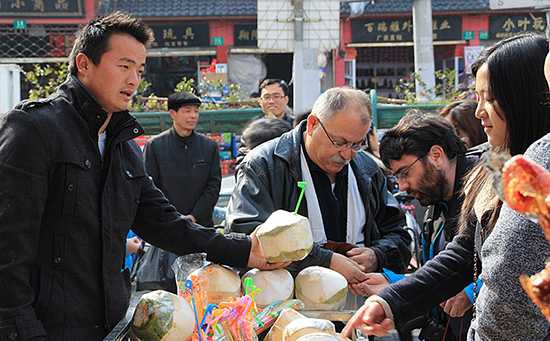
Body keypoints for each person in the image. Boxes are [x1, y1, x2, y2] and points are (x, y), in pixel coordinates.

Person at [0, 12, 282, 341]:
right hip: (46, 329)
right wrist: (22, 331)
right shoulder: (35, 129)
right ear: (84, 64)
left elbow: (164, 223)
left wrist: (244, 249)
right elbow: (8, 246)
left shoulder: (124, 148)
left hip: (109, 325)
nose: (134, 79)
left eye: (140, 69)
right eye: (124, 66)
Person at [342, 32, 550, 340]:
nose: (480, 112)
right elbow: (464, 254)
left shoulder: (540, 168)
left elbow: (511, 290)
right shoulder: (493, 169)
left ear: (523, 98)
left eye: (490, 99)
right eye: (477, 98)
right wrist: (391, 301)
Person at [226, 87, 411, 283]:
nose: (347, 155)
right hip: (285, 303)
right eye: (339, 142)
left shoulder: (368, 169)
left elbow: (398, 234)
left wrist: (377, 255)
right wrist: (324, 260)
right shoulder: (264, 165)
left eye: (357, 144)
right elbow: (245, 237)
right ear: (312, 124)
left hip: (359, 297)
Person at [354, 112, 483, 341]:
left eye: (405, 173)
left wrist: (476, 290)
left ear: (436, 155)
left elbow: (512, 260)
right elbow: (441, 272)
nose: (402, 186)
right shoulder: (435, 200)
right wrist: (395, 283)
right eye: (397, 177)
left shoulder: (485, 188)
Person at [144, 91, 220, 227]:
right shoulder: (155, 145)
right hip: (166, 225)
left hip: (202, 225)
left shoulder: (209, 146)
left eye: (196, 111)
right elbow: (150, 186)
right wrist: (172, 216)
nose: (193, 116)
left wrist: (195, 216)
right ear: (173, 114)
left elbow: (213, 186)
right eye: (187, 111)